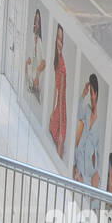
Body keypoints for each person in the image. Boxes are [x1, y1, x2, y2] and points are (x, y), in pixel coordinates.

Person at [71, 74, 102, 188]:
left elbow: (99, 153)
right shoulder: (87, 110)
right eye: (90, 94)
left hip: (88, 166)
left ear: (96, 94)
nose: (91, 97)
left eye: (92, 93)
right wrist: (83, 94)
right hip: (79, 157)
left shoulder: (99, 124)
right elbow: (79, 114)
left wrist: (96, 172)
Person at [48, 25, 68, 157]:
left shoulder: (61, 66)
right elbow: (56, 90)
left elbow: (61, 97)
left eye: (62, 40)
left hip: (61, 109)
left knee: (59, 142)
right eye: (58, 39)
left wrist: (61, 128)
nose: (60, 43)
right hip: (58, 109)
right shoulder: (57, 61)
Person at [24, 10, 45, 101]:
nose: (36, 24)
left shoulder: (41, 42)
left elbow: (43, 62)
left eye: (38, 21)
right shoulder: (32, 37)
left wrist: (37, 74)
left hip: (37, 74)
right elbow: (29, 57)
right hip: (31, 73)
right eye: (35, 20)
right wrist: (26, 64)